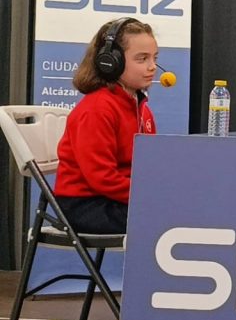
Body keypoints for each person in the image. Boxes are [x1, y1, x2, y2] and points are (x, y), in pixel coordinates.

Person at [54, 18, 159, 234]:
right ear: (111, 62)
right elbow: (102, 178)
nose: (152, 66)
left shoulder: (141, 109)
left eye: (154, 58)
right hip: (85, 205)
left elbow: (147, 165)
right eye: (142, 59)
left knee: (180, 207)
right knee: (168, 216)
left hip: (116, 198)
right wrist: (149, 195)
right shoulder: (97, 109)